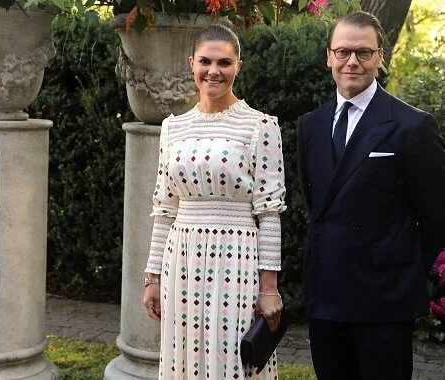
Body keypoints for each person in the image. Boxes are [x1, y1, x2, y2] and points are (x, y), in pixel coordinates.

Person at [297, 11, 445, 380]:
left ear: (380, 56)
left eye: (363, 53)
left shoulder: (414, 126)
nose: (352, 61)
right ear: (328, 56)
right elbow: (316, 207)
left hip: (384, 300)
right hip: (326, 294)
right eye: (343, 51)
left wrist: (399, 270)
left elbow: (436, 217)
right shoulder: (310, 126)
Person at [143, 24, 286, 379]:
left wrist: (269, 290)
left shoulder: (261, 126)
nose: (213, 71)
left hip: (237, 261)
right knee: (183, 356)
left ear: (238, 65)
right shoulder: (172, 127)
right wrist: (152, 276)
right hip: (182, 260)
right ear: (191, 63)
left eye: (224, 62)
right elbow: (165, 208)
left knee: (232, 358)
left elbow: (269, 212)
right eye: (205, 61)